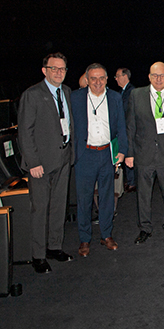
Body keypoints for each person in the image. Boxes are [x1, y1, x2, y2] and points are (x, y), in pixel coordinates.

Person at [18, 52, 74, 273]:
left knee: (59, 206)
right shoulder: (32, 95)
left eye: (63, 69)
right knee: (40, 209)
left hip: (63, 157)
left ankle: (55, 246)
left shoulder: (66, 92)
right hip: (40, 163)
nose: (59, 73)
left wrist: (72, 153)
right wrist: (32, 162)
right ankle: (38, 255)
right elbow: (25, 132)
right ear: (44, 71)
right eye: (54, 69)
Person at [71, 63, 127, 257]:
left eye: (101, 78)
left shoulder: (115, 98)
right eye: (93, 78)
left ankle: (106, 235)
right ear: (87, 80)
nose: (97, 82)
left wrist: (122, 151)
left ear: (106, 79)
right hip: (85, 155)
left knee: (106, 197)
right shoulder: (75, 98)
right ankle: (84, 239)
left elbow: (121, 126)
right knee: (84, 199)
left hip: (106, 154)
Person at [125, 62, 164, 244]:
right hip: (144, 154)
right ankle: (145, 228)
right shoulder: (136, 95)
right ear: (149, 77)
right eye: (155, 75)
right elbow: (130, 126)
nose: (159, 79)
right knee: (143, 195)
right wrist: (129, 153)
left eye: (162, 75)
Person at [115, 67, 136, 192]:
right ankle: (129, 181)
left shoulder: (132, 92)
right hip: (122, 128)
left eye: (117, 76)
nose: (116, 79)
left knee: (129, 153)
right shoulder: (121, 92)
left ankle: (132, 182)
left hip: (129, 128)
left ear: (125, 76)